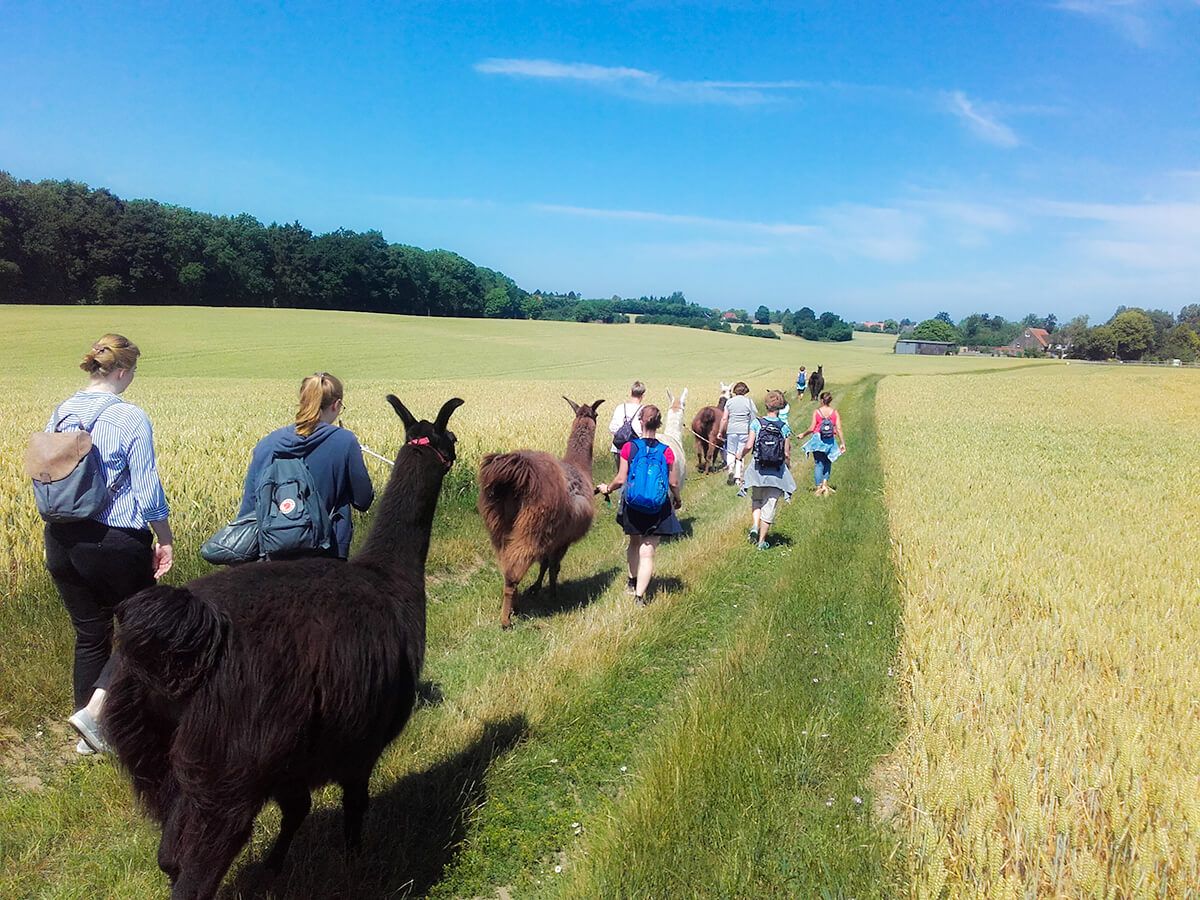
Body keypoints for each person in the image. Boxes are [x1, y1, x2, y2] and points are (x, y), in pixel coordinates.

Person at [43, 334, 174, 755]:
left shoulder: (61, 412)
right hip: (113, 540)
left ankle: (89, 738)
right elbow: (147, 488)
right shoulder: (129, 417)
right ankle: (98, 713)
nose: (132, 379)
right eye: (132, 372)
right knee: (143, 628)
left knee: (90, 634)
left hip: (61, 538)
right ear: (122, 371)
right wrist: (165, 537)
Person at [237, 372, 374, 559]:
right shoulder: (344, 441)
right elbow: (363, 500)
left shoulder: (266, 444)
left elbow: (248, 509)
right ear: (336, 405)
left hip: (273, 560)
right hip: (327, 555)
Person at [596, 406, 682, 607]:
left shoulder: (629, 448)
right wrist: (677, 499)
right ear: (659, 424)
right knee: (647, 551)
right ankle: (639, 597)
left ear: (640, 421)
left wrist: (606, 488)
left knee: (634, 543)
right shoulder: (667, 451)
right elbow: (674, 482)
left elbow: (620, 479)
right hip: (658, 507)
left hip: (633, 505)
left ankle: (631, 581)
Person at [738, 390, 797, 550]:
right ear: (781, 407)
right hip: (776, 472)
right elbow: (786, 453)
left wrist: (740, 455)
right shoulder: (784, 427)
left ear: (766, 405)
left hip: (758, 469)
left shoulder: (756, 423)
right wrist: (788, 466)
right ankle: (761, 542)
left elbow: (749, 445)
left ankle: (755, 526)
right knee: (769, 505)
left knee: (756, 499)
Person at [799, 390, 847, 496]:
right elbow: (838, 428)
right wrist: (842, 443)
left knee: (818, 464)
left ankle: (818, 487)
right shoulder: (834, 412)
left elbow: (812, 428)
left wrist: (803, 434)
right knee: (828, 462)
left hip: (818, 440)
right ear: (830, 400)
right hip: (830, 440)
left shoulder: (817, 412)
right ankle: (825, 485)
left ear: (821, 400)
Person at [719, 382, 758, 495]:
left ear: (735, 391)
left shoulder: (729, 402)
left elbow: (724, 418)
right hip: (744, 430)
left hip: (731, 430)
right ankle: (737, 477)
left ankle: (730, 469)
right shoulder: (749, 402)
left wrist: (720, 431)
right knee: (740, 453)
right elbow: (754, 416)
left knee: (731, 451)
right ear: (745, 391)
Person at [607, 380, 646, 469]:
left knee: (621, 477)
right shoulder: (643, 410)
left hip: (618, 449)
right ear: (643, 395)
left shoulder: (620, 407)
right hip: (636, 450)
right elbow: (644, 433)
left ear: (631, 392)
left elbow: (612, 428)